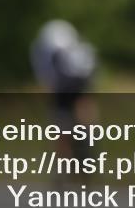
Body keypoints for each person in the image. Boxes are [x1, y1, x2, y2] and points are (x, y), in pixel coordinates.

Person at [30, 19, 98, 182]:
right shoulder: (81, 50)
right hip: (78, 90)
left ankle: (64, 169)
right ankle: (83, 159)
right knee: (82, 122)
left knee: (61, 131)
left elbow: (47, 79)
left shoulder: (49, 51)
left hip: (64, 92)